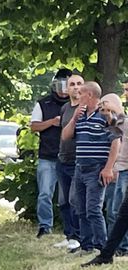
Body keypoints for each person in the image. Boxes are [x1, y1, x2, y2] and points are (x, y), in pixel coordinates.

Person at [61, 81, 120, 254]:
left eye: (81, 93)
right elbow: (65, 137)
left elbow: (116, 141)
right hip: (80, 167)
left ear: (90, 95)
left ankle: (101, 247)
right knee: (80, 208)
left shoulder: (105, 115)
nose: (78, 96)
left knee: (93, 209)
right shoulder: (79, 115)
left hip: (96, 168)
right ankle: (86, 246)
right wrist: (73, 119)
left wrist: (108, 168)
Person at [83, 93, 128, 266]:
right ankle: (106, 255)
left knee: (121, 213)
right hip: (122, 170)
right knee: (122, 214)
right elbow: (115, 133)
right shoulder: (115, 123)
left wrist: (116, 111)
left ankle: (108, 254)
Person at [30, 69, 75, 239]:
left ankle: (70, 228)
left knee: (69, 197)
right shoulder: (43, 103)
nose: (63, 90)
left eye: (67, 85)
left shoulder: (76, 105)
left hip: (69, 156)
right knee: (45, 193)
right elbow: (34, 126)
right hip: (48, 156)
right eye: (60, 85)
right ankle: (45, 225)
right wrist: (52, 122)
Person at [52, 72, 86, 249]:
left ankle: (79, 237)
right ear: (67, 88)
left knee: (75, 200)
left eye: (79, 83)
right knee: (63, 200)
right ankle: (69, 234)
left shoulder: (86, 108)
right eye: (72, 84)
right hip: (62, 159)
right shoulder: (65, 108)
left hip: (78, 160)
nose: (76, 87)